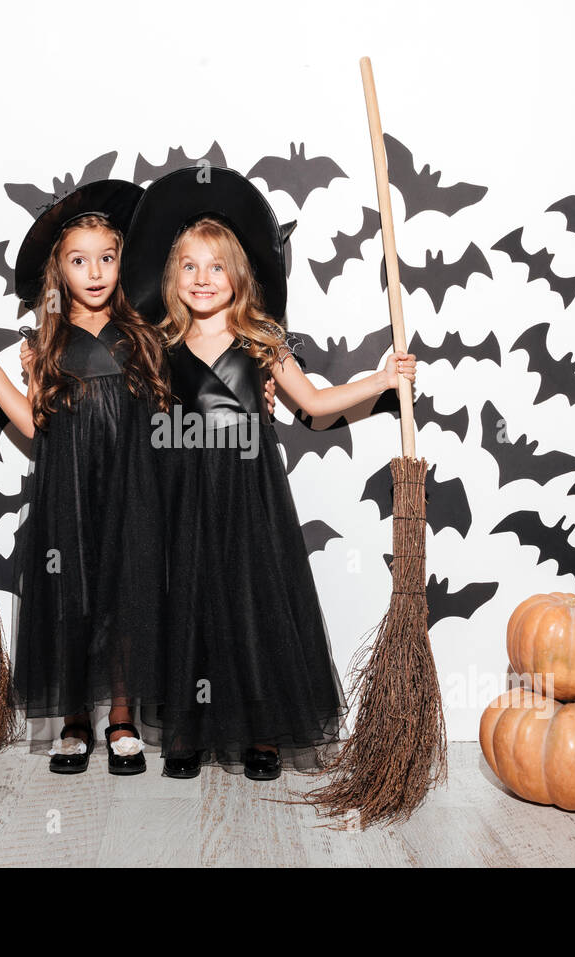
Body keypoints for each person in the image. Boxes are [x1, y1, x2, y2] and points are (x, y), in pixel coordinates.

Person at [121, 168, 416, 780]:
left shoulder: (262, 340)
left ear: (239, 276)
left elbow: (314, 402)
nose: (203, 280)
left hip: (248, 494)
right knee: (189, 603)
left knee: (252, 605)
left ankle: (261, 731)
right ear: (173, 277)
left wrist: (384, 381)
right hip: (182, 493)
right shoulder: (159, 343)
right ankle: (187, 727)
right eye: (190, 267)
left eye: (217, 267)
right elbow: (141, 420)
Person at [0, 180, 171, 775]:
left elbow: (166, 419)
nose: (95, 271)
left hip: (132, 492)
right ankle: (76, 719)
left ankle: (121, 718)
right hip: (68, 493)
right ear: (61, 270)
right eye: (80, 260)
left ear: (122, 262)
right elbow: (33, 423)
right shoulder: (45, 345)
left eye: (107, 258)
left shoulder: (144, 336)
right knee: (73, 602)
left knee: (126, 602)